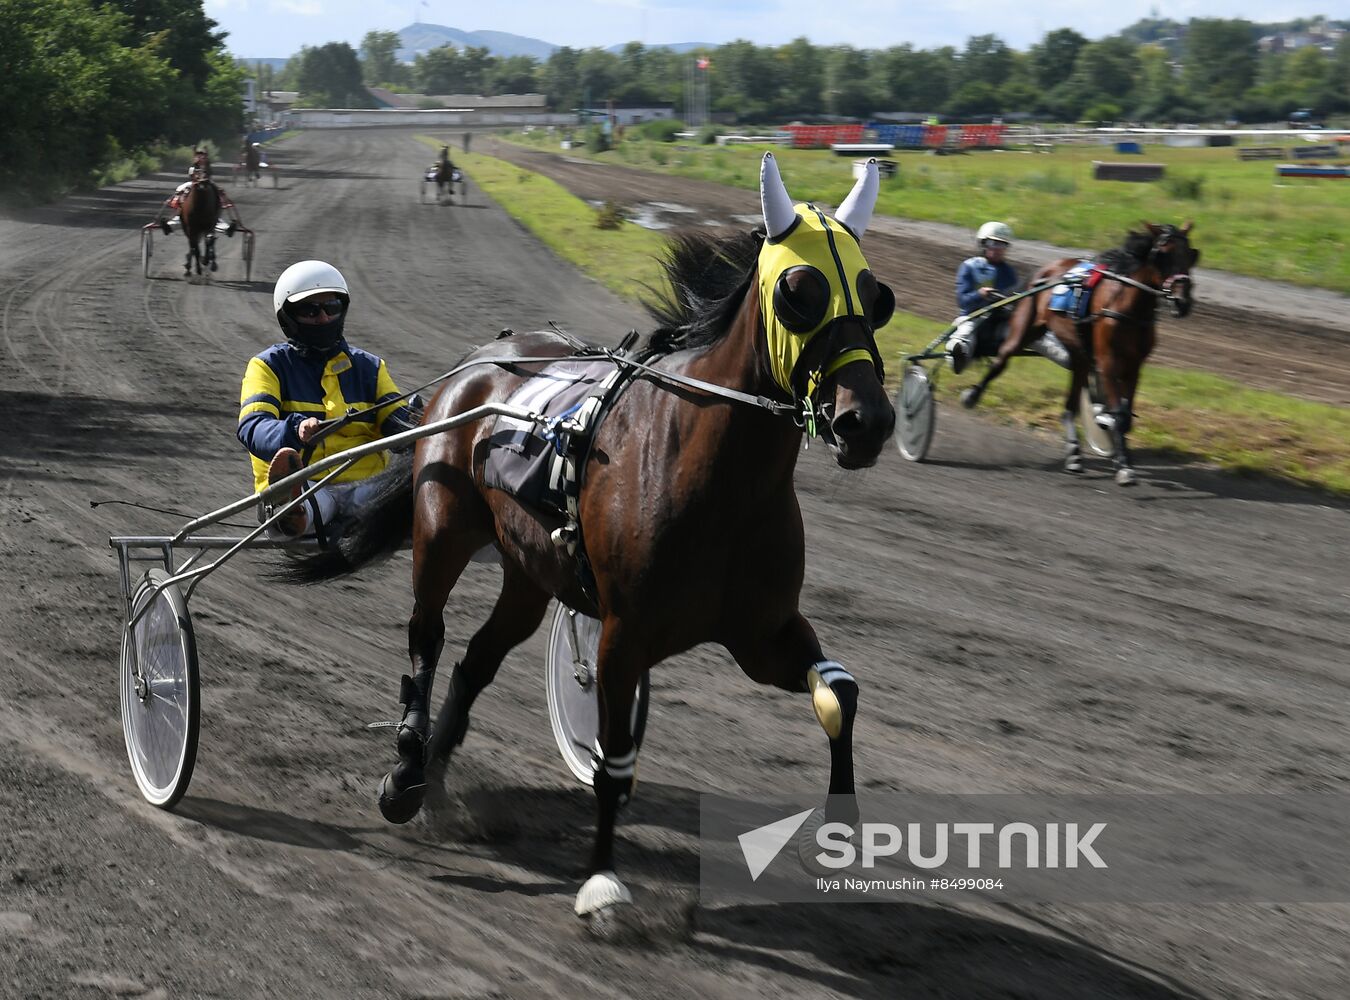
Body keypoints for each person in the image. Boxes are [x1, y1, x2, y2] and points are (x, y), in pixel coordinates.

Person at [238, 260, 415, 538]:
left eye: (331, 308)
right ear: (288, 317)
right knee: (312, 504)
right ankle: (291, 507)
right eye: (310, 310)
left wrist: (421, 426)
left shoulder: (370, 367)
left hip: (366, 485)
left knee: (416, 490)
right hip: (308, 483)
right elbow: (253, 427)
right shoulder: (268, 366)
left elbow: (400, 422)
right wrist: (295, 429)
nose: (322, 318)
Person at [946, 221, 1069, 373]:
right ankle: (958, 356)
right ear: (983, 244)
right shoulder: (969, 267)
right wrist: (980, 294)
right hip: (973, 317)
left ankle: (1072, 361)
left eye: (1002, 245)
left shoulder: (1008, 272)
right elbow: (962, 301)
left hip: (1002, 323)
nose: (998, 249)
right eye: (993, 243)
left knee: (1035, 334)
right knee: (964, 332)